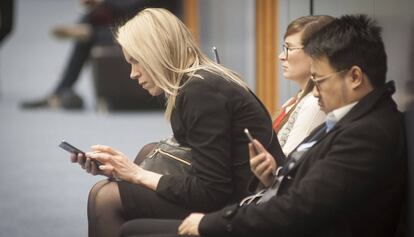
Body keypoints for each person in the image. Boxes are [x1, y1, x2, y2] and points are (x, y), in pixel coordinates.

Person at [119, 14, 407, 237]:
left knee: (127, 228)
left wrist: (210, 224)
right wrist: (273, 177)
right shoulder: (360, 118)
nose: (315, 91)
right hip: (268, 205)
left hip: (281, 225)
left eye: (319, 81)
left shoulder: (367, 134)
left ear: (355, 77)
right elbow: (314, 194)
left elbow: (300, 211)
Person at [71, 8, 284, 237]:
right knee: (146, 154)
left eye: (136, 62)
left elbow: (212, 192)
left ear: (156, 53)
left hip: (242, 206)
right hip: (233, 188)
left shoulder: (201, 92)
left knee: (105, 198)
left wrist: (135, 174)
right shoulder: (197, 81)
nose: (133, 74)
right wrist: (122, 172)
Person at [20, 0, 180, 110]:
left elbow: (140, 7)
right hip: (128, 23)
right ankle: (60, 91)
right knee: (88, 29)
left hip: (156, 30)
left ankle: (87, 32)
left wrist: (103, 2)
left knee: (92, 34)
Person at [274, 15, 332, 155]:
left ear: (315, 53)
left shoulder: (314, 102)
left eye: (289, 48)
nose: (281, 56)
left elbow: (288, 162)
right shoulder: (296, 99)